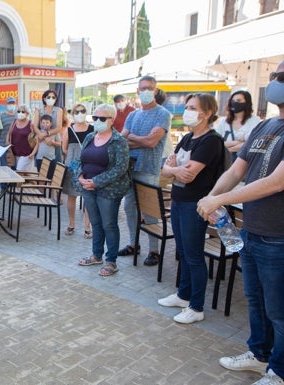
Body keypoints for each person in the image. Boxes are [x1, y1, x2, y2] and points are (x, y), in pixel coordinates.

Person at [197, 62, 284, 385]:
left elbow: (276, 182)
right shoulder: (266, 127)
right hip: (253, 231)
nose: (275, 83)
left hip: (279, 236)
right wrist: (210, 196)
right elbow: (236, 171)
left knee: (279, 309)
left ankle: (279, 369)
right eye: (274, 76)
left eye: (282, 78)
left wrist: (218, 201)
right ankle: (260, 355)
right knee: (256, 300)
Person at [157, 93, 223, 324]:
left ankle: (196, 306)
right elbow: (166, 170)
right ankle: (183, 295)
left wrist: (174, 169)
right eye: (187, 106)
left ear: (206, 113)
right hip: (178, 199)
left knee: (194, 255)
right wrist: (174, 170)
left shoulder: (211, 141)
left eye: (192, 107)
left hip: (195, 204)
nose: (187, 111)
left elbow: (188, 173)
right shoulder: (187, 138)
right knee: (183, 252)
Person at [120, 75, 172, 266]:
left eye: (150, 88)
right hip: (130, 168)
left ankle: (154, 250)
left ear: (156, 90)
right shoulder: (133, 115)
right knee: (129, 206)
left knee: (150, 210)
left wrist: (133, 139)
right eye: (143, 88)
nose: (146, 91)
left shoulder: (162, 114)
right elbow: (121, 141)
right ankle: (134, 244)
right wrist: (138, 140)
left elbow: (152, 142)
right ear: (137, 91)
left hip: (149, 168)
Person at [74, 104, 130, 277]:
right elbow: (79, 159)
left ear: (112, 120)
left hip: (109, 190)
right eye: (95, 118)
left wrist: (96, 182)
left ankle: (111, 261)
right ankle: (96, 255)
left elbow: (121, 168)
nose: (97, 121)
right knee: (96, 223)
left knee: (109, 225)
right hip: (88, 187)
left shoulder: (118, 141)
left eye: (102, 118)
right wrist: (80, 176)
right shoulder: (90, 136)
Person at [62, 103, 93, 238]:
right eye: (77, 111)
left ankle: (87, 226)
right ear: (73, 114)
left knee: (89, 197)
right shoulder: (68, 130)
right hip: (72, 167)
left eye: (82, 111)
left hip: (89, 166)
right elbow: (64, 149)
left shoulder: (92, 129)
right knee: (71, 195)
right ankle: (71, 224)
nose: (80, 114)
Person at [214, 90, 260, 161]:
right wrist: (239, 143)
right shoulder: (223, 121)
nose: (235, 103)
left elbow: (252, 144)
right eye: (233, 100)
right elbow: (216, 143)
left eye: (238, 100)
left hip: (245, 162)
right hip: (224, 163)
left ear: (246, 103)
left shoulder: (254, 120)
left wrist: (229, 149)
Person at [6, 104, 37, 172]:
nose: (20, 113)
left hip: (27, 154)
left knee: (19, 172)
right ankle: (34, 182)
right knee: (24, 175)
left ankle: (34, 181)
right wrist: (7, 141)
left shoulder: (31, 124)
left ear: (27, 113)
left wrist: (33, 153)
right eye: (18, 111)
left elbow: (37, 140)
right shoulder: (14, 122)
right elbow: (9, 133)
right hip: (15, 153)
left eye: (23, 112)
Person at [0, 96, 17, 167]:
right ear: (6, 104)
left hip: (15, 147)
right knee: (4, 168)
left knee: (15, 170)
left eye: (13, 103)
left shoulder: (18, 116)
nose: (11, 105)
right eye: (10, 103)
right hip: (3, 146)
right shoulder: (1, 116)